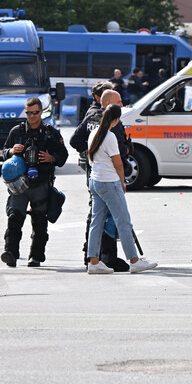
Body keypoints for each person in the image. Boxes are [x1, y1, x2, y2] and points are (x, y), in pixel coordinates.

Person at [86, 104, 157, 274]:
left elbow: (90, 158)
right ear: (116, 120)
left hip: (95, 180)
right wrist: (122, 181)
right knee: (123, 221)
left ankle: (93, 262)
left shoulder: (94, 133)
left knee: (97, 222)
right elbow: (118, 163)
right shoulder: (109, 137)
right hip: (109, 182)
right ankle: (134, 260)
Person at [0, 97, 69, 268]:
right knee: (14, 218)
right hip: (19, 183)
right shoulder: (17, 131)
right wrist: (11, 151)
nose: (31, 116)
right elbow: (4, 151)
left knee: (39, 221)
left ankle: (36, 256)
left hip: (41, 183)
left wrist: (52, 158)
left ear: (41, 112)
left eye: (35, 112)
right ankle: (11, 253)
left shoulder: (50, 133)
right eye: (28, 113)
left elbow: (63, 155)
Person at [70, 83, 131, 272]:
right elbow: (119, 154)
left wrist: (92, 154)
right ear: (109, 104)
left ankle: (92, 257)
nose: (122, 105)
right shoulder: (113, 124)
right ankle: (110, 257)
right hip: (109, 177)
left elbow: (75, 141)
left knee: (96, 217)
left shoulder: (91, 117)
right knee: (116, 217)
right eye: (119, 102)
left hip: (94, 175)